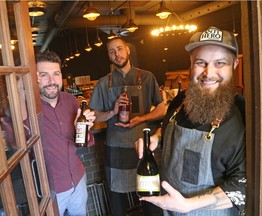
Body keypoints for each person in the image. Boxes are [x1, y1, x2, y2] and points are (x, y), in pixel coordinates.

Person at [135, 26, 246, 216]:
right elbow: (169, 128)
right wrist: (156, 137)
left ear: (235, 64)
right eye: (201, 62)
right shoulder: (181, 101)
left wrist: (189, 205)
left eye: (220, 63)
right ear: (191, 63)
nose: (209, 73)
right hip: (169, 211)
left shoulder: (243, 117)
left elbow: (242, 186)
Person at [89, 37, 166, 216]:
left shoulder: (147, 77)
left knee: (150, 194)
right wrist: (112, 111)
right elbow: (93, 116)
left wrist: (140, 119)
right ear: (108, 56)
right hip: (115, 146)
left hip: (142, 146)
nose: (117, 54)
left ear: (128, 50)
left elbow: (162, 109)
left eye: (120, 49)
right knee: (117, 197)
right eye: (111, 51)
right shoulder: (103, 84)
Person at [36, 51, 96, 216]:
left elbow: (84, 141)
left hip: (78, 179)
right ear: (36, 78)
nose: (51, 81)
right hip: (52, 190)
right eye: (44, 75)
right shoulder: (28, 108)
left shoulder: (70, 100)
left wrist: (83, 130)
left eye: (56, 74)